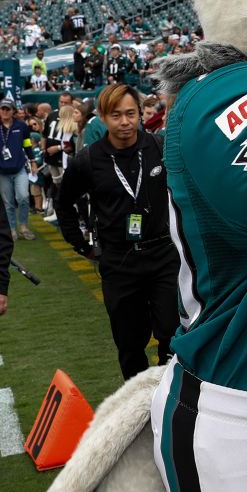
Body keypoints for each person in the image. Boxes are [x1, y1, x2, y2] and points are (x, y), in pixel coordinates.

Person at [55, 85, 179, 380]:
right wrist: (82, 246)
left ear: (139, 114)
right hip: (119, 261)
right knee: (130, 343)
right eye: (116, 115)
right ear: (102, 117)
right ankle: (137, 409)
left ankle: (167, 397)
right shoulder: (88, 159)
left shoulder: (159, 147)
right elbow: (64, 205)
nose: (124, 122)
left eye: (130, 114)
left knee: (173, 336)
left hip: (163, 255)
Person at [0, 99, 35, 241]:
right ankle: (12, 229)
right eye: (2, 109)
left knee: (23, 197)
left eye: (7, 109)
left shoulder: (21, 125)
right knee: (8, 202)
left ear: (13, 111)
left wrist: (32, 161)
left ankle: (24, 226)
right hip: (2, 171)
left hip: (19, 168)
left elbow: (27, 144)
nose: (4, 111)